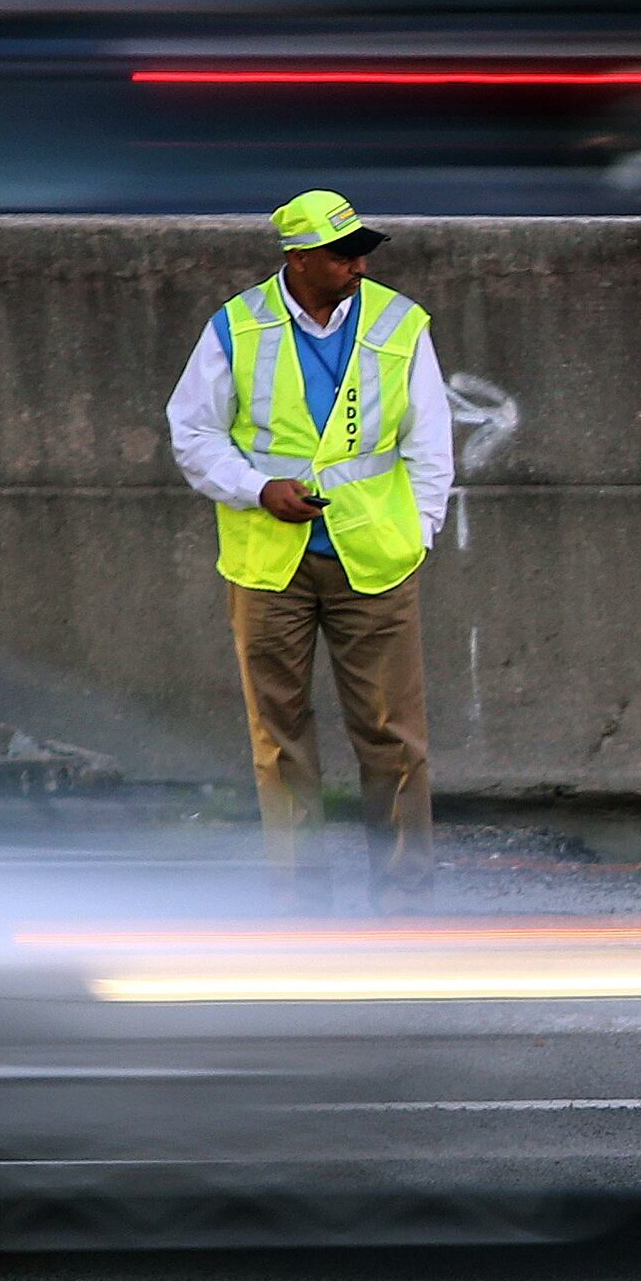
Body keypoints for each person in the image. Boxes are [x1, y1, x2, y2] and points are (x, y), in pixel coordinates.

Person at [164, 189, 454, 909]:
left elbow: (430, 442)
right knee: (279, 736)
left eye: (363, 252)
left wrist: (419, 533)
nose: (359, 264)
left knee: (393, 736)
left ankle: (405, 897)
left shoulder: (399, 322)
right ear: (297, 257)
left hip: (376, 559)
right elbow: (192, 432)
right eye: (342, 252)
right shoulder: (237, 326)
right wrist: (258, 490)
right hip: (270, 560)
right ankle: (300, 900)